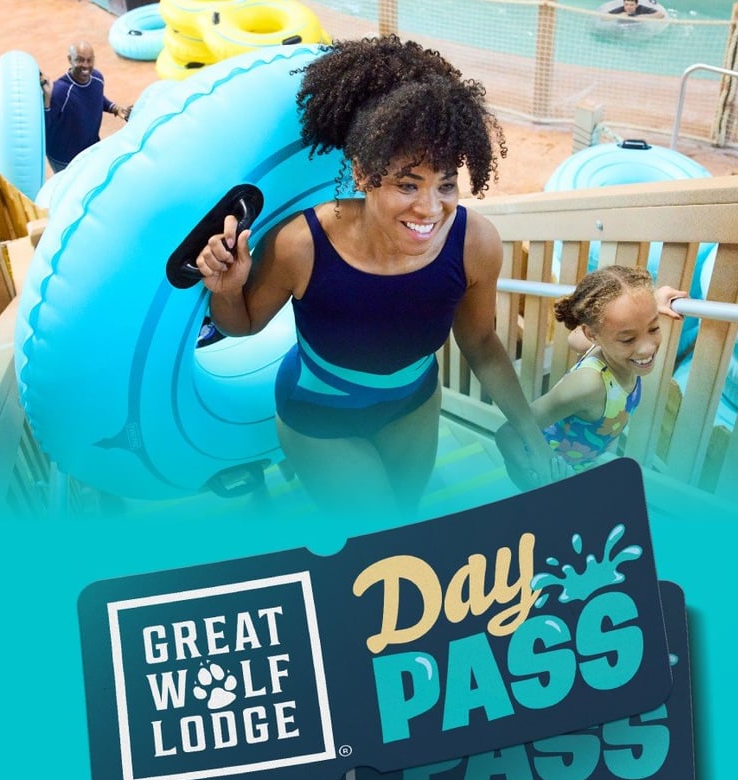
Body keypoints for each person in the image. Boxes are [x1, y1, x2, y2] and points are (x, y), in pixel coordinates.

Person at [196, 35, 560, 525]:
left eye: (446, 184)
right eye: (408, 184)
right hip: (318, 415)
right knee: (377, 533)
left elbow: (479, 340)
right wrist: (226, 291)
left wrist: (528, 430)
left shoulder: (475, 242)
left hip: (413, 405)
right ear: (364, 175)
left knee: (406, 520)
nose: (430, 208)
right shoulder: (301, 244)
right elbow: (242, 326)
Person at [496, 266, 685, 488]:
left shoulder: (597, 342)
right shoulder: (589, 385)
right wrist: (539, 472)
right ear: (593, 335)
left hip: (579, 467)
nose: (646, 348)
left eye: (653, 328)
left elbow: (574, 338)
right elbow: (508, 434)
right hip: (545, 474)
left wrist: (648, 304)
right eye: (627, 339)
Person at [40, 41, 130, 173]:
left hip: (91, 150)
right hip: (65, 160)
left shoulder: (97, 78)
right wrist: (47, 100)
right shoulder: (60, 92)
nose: (86, 66)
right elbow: (45, 126)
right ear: (70, 60)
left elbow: (96, 97)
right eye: (80, 60)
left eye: (89, 60)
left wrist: (114, 108)